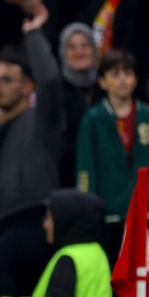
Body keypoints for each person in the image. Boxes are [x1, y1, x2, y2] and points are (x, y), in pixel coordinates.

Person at [0, 5, 60, 297]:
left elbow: (50, 80)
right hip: (3, 225)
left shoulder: (42, 120)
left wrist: (33, 34)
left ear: (27, 87)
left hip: (36, 220)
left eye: (7, 80)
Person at [76, 49, 149, 266]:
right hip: (109, 214)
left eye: (127, 73)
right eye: (115, 74)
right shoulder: (93, 119)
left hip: (147, 212)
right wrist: (87, 209)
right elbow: (85, 168)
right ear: (102, 82)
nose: (122, 79)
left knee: (145, 276)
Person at [59, 23, 99, 189]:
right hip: (68, 174)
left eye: (84, 45)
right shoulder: (57, 90)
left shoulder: (105, 86)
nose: (79, 52)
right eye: (72, 47)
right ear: (63, 53)